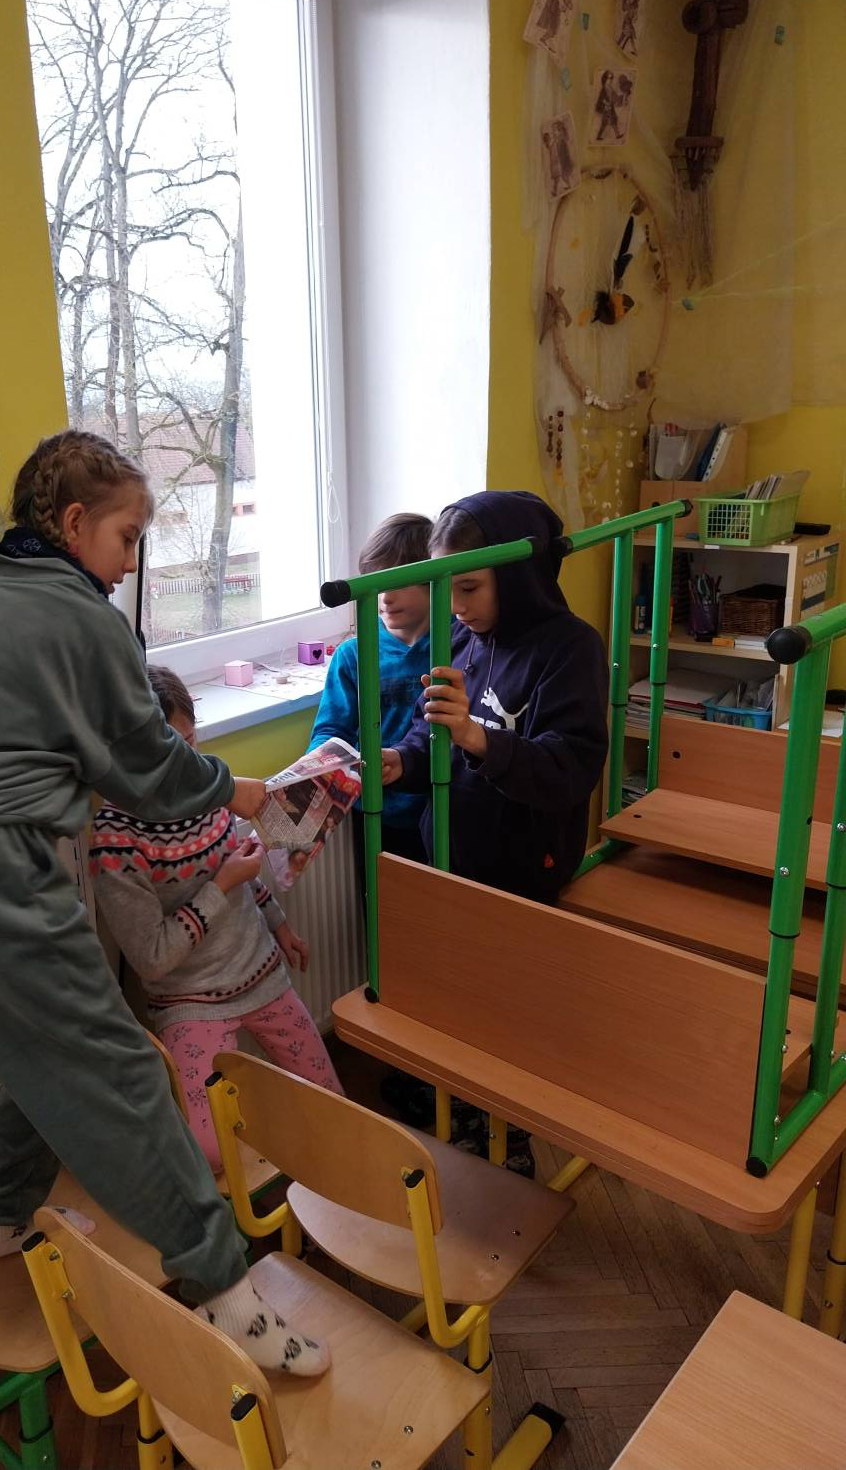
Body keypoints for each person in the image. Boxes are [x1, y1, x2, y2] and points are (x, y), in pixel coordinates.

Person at [0, 431, 328, 1377]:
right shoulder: (83, 616)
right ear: (73, 521)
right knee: (118, 1069)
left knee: (32, 1052)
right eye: (127, 537)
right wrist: (238, 791)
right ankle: (228, 1297)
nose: (130, 562)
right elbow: (150, 770)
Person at [382, 491, 609, 1174]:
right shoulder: (463, 639)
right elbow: (430, 731)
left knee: (507, 1017)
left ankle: (509, 1138)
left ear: (518, 575)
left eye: (471, 587)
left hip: (521, 865)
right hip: (452, 853)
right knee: (454, 1003)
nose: (456, 604)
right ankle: (463, 1111)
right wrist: (402, 761)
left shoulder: (570, 648)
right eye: (446, 587)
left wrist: (478, 738)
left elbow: (569, 768)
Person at [90, 666, 344, 1171]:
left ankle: (323, 1186)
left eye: (188, 742)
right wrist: (221, 884)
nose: (183, 764)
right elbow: (153, 959)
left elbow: (242, 870)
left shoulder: (211, 785)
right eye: (164, 752)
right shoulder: (114, 839)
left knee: (333, 1108)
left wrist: (280, 925)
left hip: (261, 975)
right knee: (209, 1155)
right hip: (189, 1001)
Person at [308, 513, 433, 893]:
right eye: (375, 583)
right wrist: (314, 769)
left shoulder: (459, 644)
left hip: (439, 808)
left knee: (440, 913)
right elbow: (331, 730)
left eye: (397, 583)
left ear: (433, 579)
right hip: (376, 813)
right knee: (382, 912)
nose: (384, 597)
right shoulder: (353, 654)